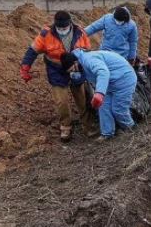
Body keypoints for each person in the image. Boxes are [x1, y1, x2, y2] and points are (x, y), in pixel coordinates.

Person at [20, 11, 96, 142]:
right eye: (59, 28)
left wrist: (86, 68)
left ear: (70, 25)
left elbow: (88, 52)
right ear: (55, 25)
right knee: (62, 101)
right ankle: (65, 126)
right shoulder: (46, 34)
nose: (62, 30)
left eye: (64, 28)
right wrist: (25, 67)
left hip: (76, 68)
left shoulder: (80, 32)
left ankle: (88, 125)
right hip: (56, 70)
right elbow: (32, 50)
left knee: (82, 99)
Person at [61, 50, 137, 141]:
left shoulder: (89, 60)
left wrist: (99, 93)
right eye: (70, 72)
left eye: (73, 69)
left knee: (118, 109)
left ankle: (130, 129)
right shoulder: (81, 64)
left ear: (75, 62)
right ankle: (107, 133)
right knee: (103, 107)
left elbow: (103, 72)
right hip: (110, 83)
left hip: (124, 79)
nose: (73, 72)